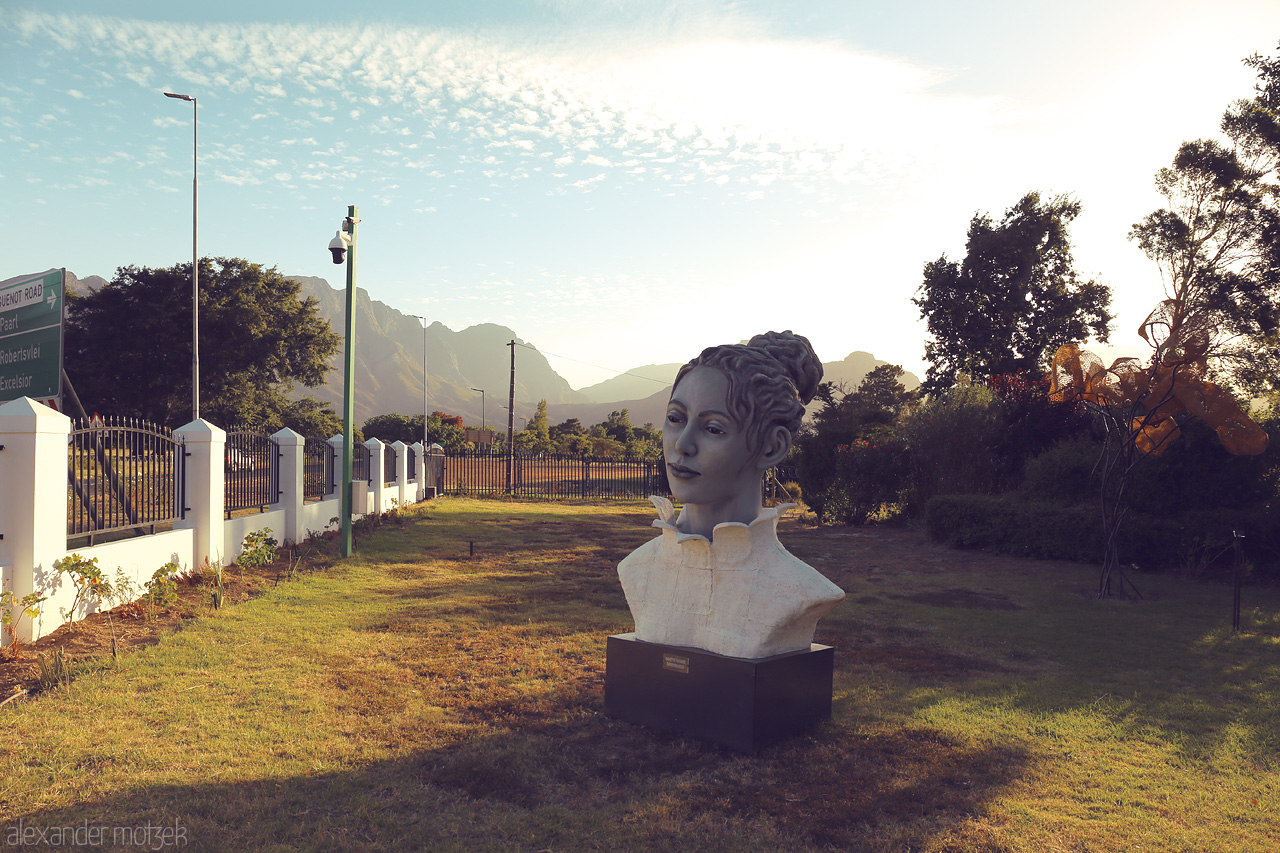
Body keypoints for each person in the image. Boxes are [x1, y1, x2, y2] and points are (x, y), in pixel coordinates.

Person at [617, 331, 845, 659]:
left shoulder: (799, 592)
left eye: (714, 428)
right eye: (675, 419)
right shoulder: (636, 568)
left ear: (772, 446)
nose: (682, 443)